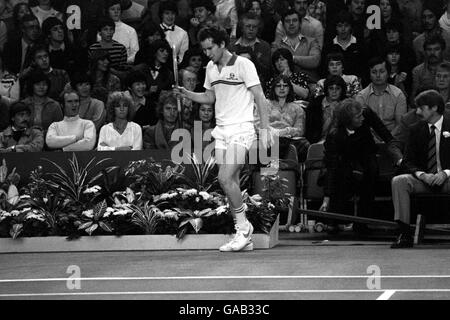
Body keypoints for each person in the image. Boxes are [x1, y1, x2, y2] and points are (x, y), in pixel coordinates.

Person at [174, 26, 273, 252]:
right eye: (204, 49)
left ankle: (244, 228)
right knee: (232, 184)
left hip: (242, 129)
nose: (207, 53)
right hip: (222, 131)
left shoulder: (243, 65)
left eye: (211, 48)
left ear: (221, 44)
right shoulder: (210, 67)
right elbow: (210, 97)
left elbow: (259, 96)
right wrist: (186, 93)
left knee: (224, 178)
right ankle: (243, 235)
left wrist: (265, 130)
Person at [391, 90, 450, 248]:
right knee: (399, 181)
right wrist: (422, 175)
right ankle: (404, 233)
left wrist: (445, 173)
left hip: (447, 178)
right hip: (424, 179)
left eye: (421, 108)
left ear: (434, 108)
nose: (417, 112)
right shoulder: (415, 129)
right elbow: (408, 161)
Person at [320, 98, 395, 220]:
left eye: (361, 115)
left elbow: (386, 135)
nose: (362, 118)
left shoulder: (366, 113)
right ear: (348, 121)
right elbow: (331, 166)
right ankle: (335, 219)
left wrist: (398, 155)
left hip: (366, 150)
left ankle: (363, 221)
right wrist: (326, 198)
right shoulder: (335, 135)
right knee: (340, 176)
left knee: (371, 171)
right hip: (344, 158)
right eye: (358, 117)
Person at [356, 56, 407, 133]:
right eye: (374, 72)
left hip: (393, 139)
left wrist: (389, 139)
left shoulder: (398, 94)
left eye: (382, 71)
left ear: (388, 73)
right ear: (369, 74)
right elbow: (360, 125)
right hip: (369, 139)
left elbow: (400, 125)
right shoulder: (361, 96)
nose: (378, 75)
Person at [266, 73, 308, 161]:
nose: (282, 88)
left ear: (290, 88)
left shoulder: (297, 108)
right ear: (273, 88)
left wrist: (286, 131)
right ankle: (267, 173)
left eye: (285, 85)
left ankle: (293, 172)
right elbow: (257, 125)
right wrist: (272, 132)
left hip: (288, 138)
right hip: (268, 137)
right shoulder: (264, 104)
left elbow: (300, 130)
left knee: (304, 144)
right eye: (278, 85)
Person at [273, 9, 321, 82]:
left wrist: (291, 58)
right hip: (285, 86)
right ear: (283, 25)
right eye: (288, 21)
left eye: (294, 20)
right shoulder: (277, 45)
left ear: (300, 23)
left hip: (310, 83)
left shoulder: (312, 41)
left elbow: (315, 61)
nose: (291, 23)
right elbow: (275, 66)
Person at [306, 75, 347, 144]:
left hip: (340, 142)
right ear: (326, 89)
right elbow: (309, 129)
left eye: (337, 88)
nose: (334, 91)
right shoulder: (315, 104)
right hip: (316, 141)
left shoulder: (347, 104)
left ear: (342, 90)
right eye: (331, 88)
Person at [21, 69, 62, 135]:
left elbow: (59, 129)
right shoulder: (24, 104)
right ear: (32, 86)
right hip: (26, 140)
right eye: (38, 84)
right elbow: (19, 126)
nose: (41, 87)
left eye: (44, 84)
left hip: (49, 140)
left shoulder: (54, 105)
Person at [102, 0, 139, 64]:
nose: (116, 12)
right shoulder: (102, 31)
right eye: (113, 9)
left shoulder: (130, 31)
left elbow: (135, 53)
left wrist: (123, 62)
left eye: (118, 9)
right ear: (107, 11)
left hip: (125, 67)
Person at [412, 35, 448, 99]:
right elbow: (414, 98)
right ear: (425, 51)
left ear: (442, 50)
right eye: (429, 49)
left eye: (436, 49)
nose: (432, 53)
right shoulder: (417, 71)